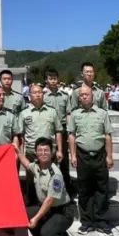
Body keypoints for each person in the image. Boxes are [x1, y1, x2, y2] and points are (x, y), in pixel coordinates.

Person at [68, 83, 114, 236]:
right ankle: (86, 222)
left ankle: (102, 222)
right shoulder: (75, 114)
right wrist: (73, 155)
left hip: (100, 155)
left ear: (92, 97)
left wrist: (109, 156)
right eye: (81, 95)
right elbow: (72, 135)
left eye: (86, 94)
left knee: (102, 188)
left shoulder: (102, 113)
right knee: (84, 189)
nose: (84, 97)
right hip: (83, 156)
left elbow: (108, 135)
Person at [19, 137, 76, 236]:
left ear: (52, 152)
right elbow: (26, 164)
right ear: (36, 152)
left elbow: (50, 200)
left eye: (46, 150)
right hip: (49, 209)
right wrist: (16, 150)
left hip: (63, 211)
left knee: (46, 233)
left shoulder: (55, 174)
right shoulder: (37, 166)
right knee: (24, 214)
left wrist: (36, 219)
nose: (43, 153)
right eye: (40, 150)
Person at [18, 83, 63, 204]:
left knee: (49, 181)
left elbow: (58, 131)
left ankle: (50, 206)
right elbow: (21, 135)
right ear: (29, 95)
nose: (37, 95)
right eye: (34, 92)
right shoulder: (24, 113)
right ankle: (32, 205)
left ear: (43, 94)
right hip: (31, 153)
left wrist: (59, 150)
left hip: (48, 154)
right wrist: (21, 153)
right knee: (31, 181)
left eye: (40, 92)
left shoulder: (52, 111)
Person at [43, 68, 76, 196]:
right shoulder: (43, 95)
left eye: (55, 78)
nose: (53, 81)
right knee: (49, 157)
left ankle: (66, 185)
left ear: (58, 80)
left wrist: (69, 130)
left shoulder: (65, 96)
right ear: (46, 80)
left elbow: (68, 114)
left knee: (64, 159)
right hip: (48, 129)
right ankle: (48, 186)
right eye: (50, 78)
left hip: (62, 129)